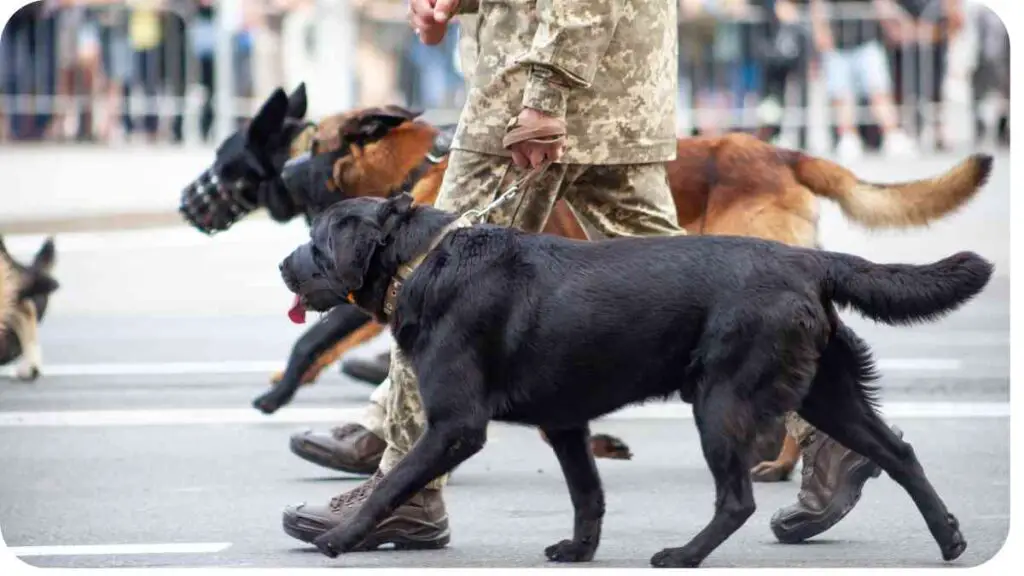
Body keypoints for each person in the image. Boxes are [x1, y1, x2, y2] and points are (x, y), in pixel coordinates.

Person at [282, 0, 685, 550]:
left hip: (528, 92)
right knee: (693, 288)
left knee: (422, 287)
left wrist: (545, 95)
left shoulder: (539, 92)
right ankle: (820, 411)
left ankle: (406, 493)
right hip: (617, 89)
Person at [810, 0, 915, 159]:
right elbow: (818, 5)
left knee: (879, 92)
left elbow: (882, 4)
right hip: (837, 44)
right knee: (841, 95)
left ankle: (892, 135)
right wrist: (820, 32)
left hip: (867, 41)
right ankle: (848, 137)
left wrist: (896, 24)